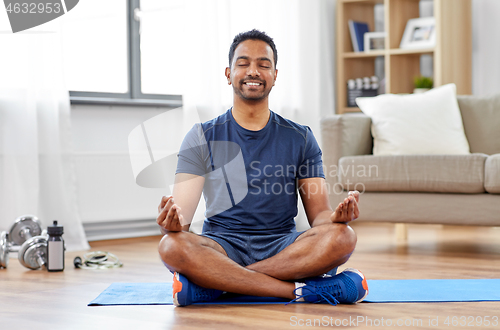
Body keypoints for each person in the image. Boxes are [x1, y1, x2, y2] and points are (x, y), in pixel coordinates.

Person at [157, 29, 368, 306]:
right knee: (171, 245)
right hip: (221, 246)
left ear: (275, 75)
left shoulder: (300, 137)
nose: (253, 71)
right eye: (243, 63)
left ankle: (216, 285)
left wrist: (337, 218)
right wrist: (170, 222)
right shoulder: (201, 136)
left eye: (263, 65)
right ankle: (301, 291)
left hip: (282, 246)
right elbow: (180, 223)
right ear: (228, 73)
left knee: (343, 237)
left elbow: (319, 216)